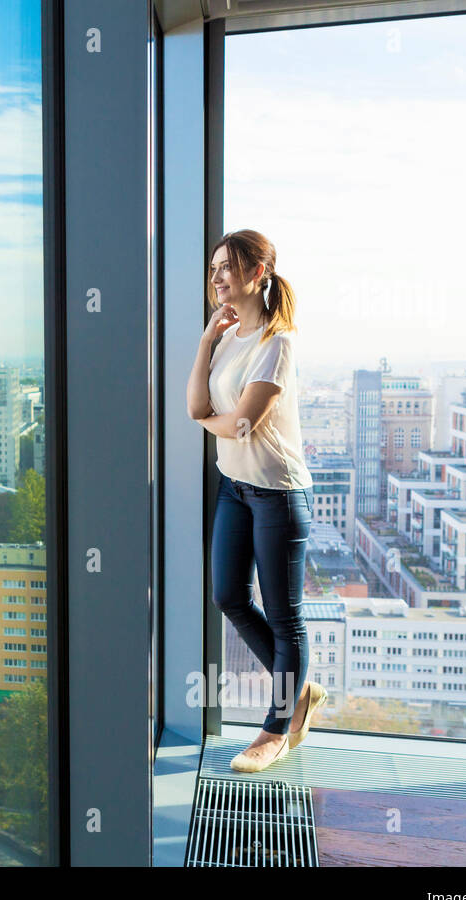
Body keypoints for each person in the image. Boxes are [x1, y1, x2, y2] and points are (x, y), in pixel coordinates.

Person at [186, 229, 328, 772]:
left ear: (259, 273)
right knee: (228, 596)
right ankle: (300, 691)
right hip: (234, 489)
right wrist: (205, 343)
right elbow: (197, 405)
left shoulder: (278, 342)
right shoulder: (226, 339)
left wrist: (212, 422)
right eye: (215, 266)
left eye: (230, 266)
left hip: (278, 495)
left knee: (285, 616)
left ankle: (276, 729)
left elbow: (243, 423)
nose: (219, 276)